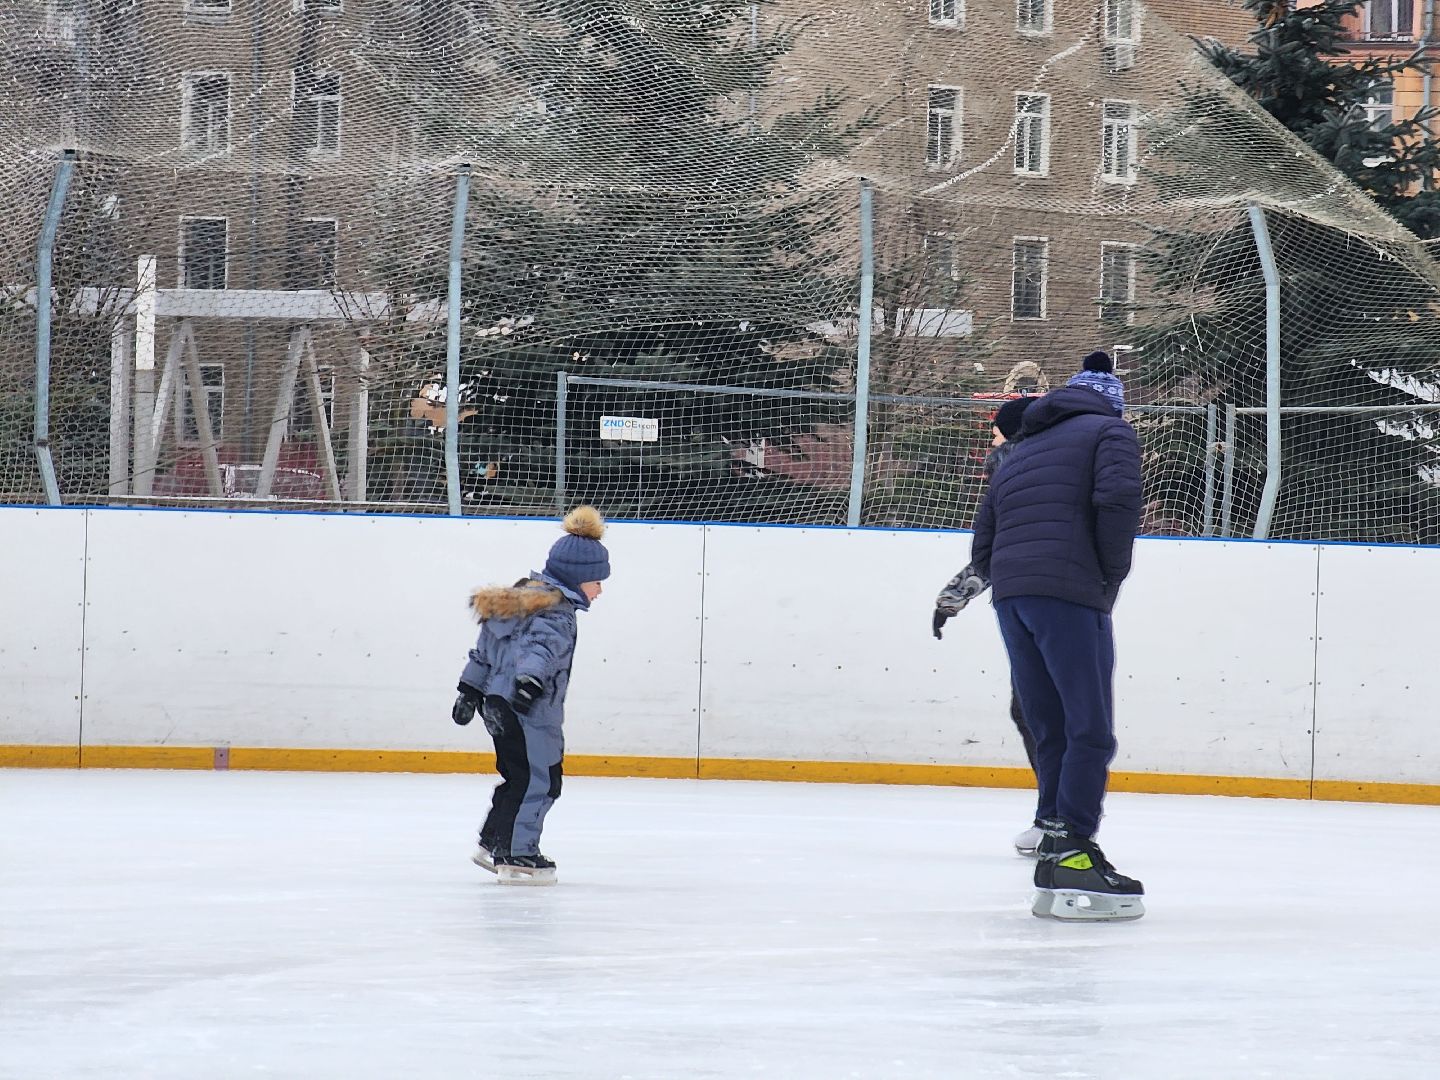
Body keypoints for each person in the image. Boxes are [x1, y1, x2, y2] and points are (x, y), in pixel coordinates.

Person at [969, 351, 1145, 921]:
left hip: (1012, 595)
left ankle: (1052, 829)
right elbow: (1117, 502)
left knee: (1049, 723)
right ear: (1110, 401)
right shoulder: (1110, 432)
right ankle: (1072, 852)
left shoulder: (1020, 448)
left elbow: (985, 528)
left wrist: (1004, 579)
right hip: (1069, 591)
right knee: (1088, 728)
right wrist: (1107, 576)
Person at [451, 505, 611, 886]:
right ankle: (519, 854)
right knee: (542, 780)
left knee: (516, 777)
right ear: (578, 577)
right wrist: (529, 683)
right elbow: (540, 651)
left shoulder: (516, 601)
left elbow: (485, 649)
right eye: (597, 581)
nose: (600, 589)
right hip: (529, 709)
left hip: (496, 703)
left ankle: (493, 843)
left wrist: (469, 689)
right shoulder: (557, 614)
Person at [932, 395, 1043, 857]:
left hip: (1035, 602)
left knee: (1039, 713)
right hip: (1053, 601)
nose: (989, 444)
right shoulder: (1050, 468)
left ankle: (1059, 818)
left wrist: (952, 598)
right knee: (1036, 711)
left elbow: (993, 549)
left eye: (996, 433)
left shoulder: (1012, 469)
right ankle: (1055, 815)